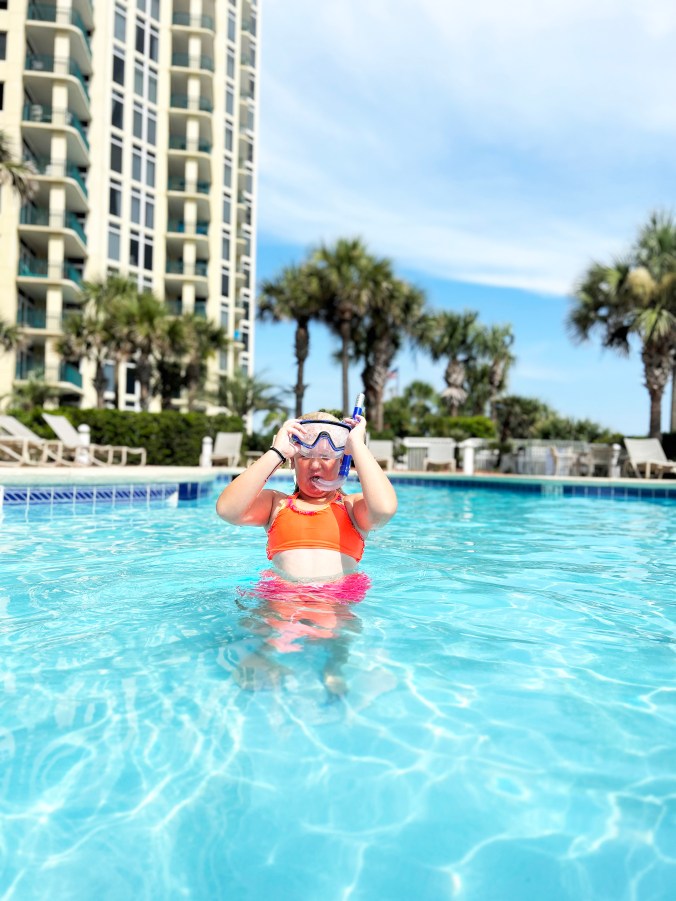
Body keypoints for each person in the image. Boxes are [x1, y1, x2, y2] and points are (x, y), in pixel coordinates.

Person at [216, 410, 397, 584]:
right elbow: (227, 510)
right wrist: (277, 452)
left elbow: (384, 509)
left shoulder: (351, 509)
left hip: (334, 601)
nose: (315, 465)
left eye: (325, 456)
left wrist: (357, 445)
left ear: (342, 462)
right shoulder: (276, 505)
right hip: (281, 600)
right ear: (292, 461)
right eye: (305, 455)